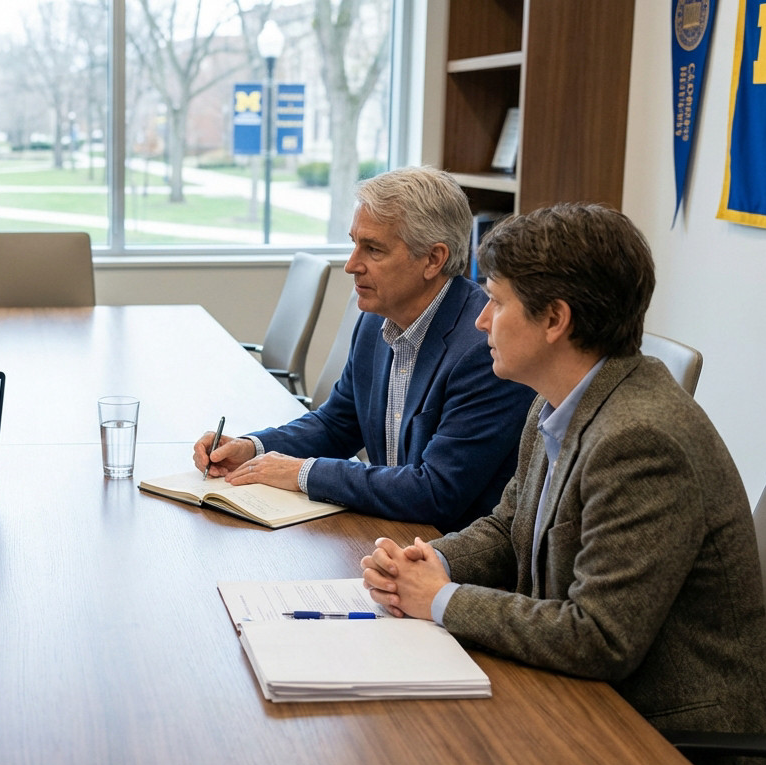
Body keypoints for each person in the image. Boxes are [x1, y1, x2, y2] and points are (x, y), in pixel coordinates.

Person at [361, 203, 766, 739]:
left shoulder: (642, 441)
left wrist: (439, 598)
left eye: (497, 302)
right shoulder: (554, 399)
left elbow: (599, 636)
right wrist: (428, 560)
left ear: (555, 319)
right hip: (580, 692)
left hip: (663, 730)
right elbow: (510, 528)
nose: (481, 320)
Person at [195, 166, 534, 531]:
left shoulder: (482, 348)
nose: (351, 265)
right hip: (390, 531)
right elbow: (337, 424)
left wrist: (300, 472)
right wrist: (253, 448)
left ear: (433, 260)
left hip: (447, 554)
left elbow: (436, 492)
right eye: (354, 243)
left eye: (373, 249)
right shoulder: (375, 320)